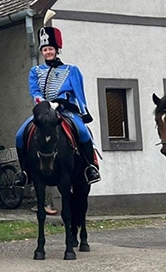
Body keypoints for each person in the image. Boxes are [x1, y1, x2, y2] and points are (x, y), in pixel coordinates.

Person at [15, 26, 101, 186]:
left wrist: (79, 109)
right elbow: (35, 92)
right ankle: (25, 172)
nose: (48, 52)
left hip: (66, 111)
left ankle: (90, 167)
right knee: (20, 135)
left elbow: (78, 93)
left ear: (56, 50)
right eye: (45, 49)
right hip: (43, 111)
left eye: (50, 49)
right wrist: (45, 104)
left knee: (83, 132)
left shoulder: (71, 70)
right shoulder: (35, 71)